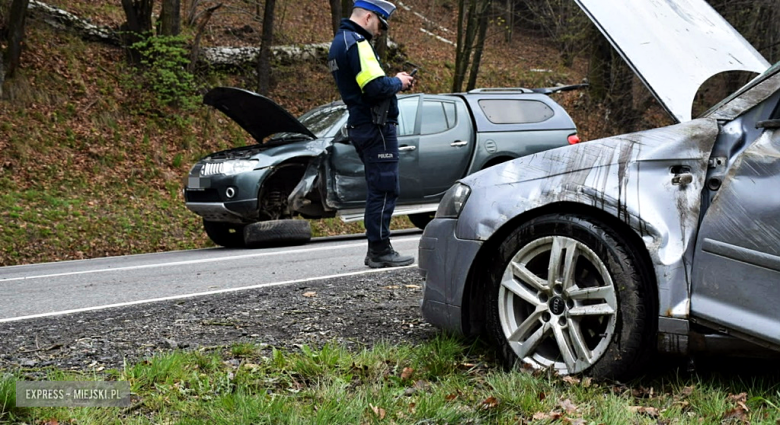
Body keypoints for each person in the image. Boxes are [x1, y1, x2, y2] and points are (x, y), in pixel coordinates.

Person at [328, 0, 415, 268]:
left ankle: (379, 248)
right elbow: (375, 88)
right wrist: (398, 82)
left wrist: (392, 82)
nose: (379, 31)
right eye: (379, 24)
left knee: (379, 187)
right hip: (375, 126)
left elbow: (366, 83)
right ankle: (379, 251)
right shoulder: (358, 43)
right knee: (385, 187)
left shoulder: (340, 42)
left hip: (363, 124)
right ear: (367, 17)